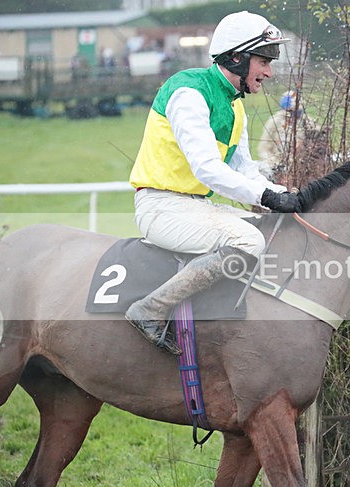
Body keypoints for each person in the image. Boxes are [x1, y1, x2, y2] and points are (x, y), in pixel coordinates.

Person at [125, 11, 304, 354]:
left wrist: (286, 196)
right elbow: (207, 169)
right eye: (264, 61)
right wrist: (267, 196)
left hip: (193, 206)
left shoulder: (235, 106)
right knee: (249, 241)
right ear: (236, 57)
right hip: (160, 207)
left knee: (270, 231)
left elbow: (245, 169)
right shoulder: (188, 91)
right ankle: (150, 309)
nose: (269, 71)